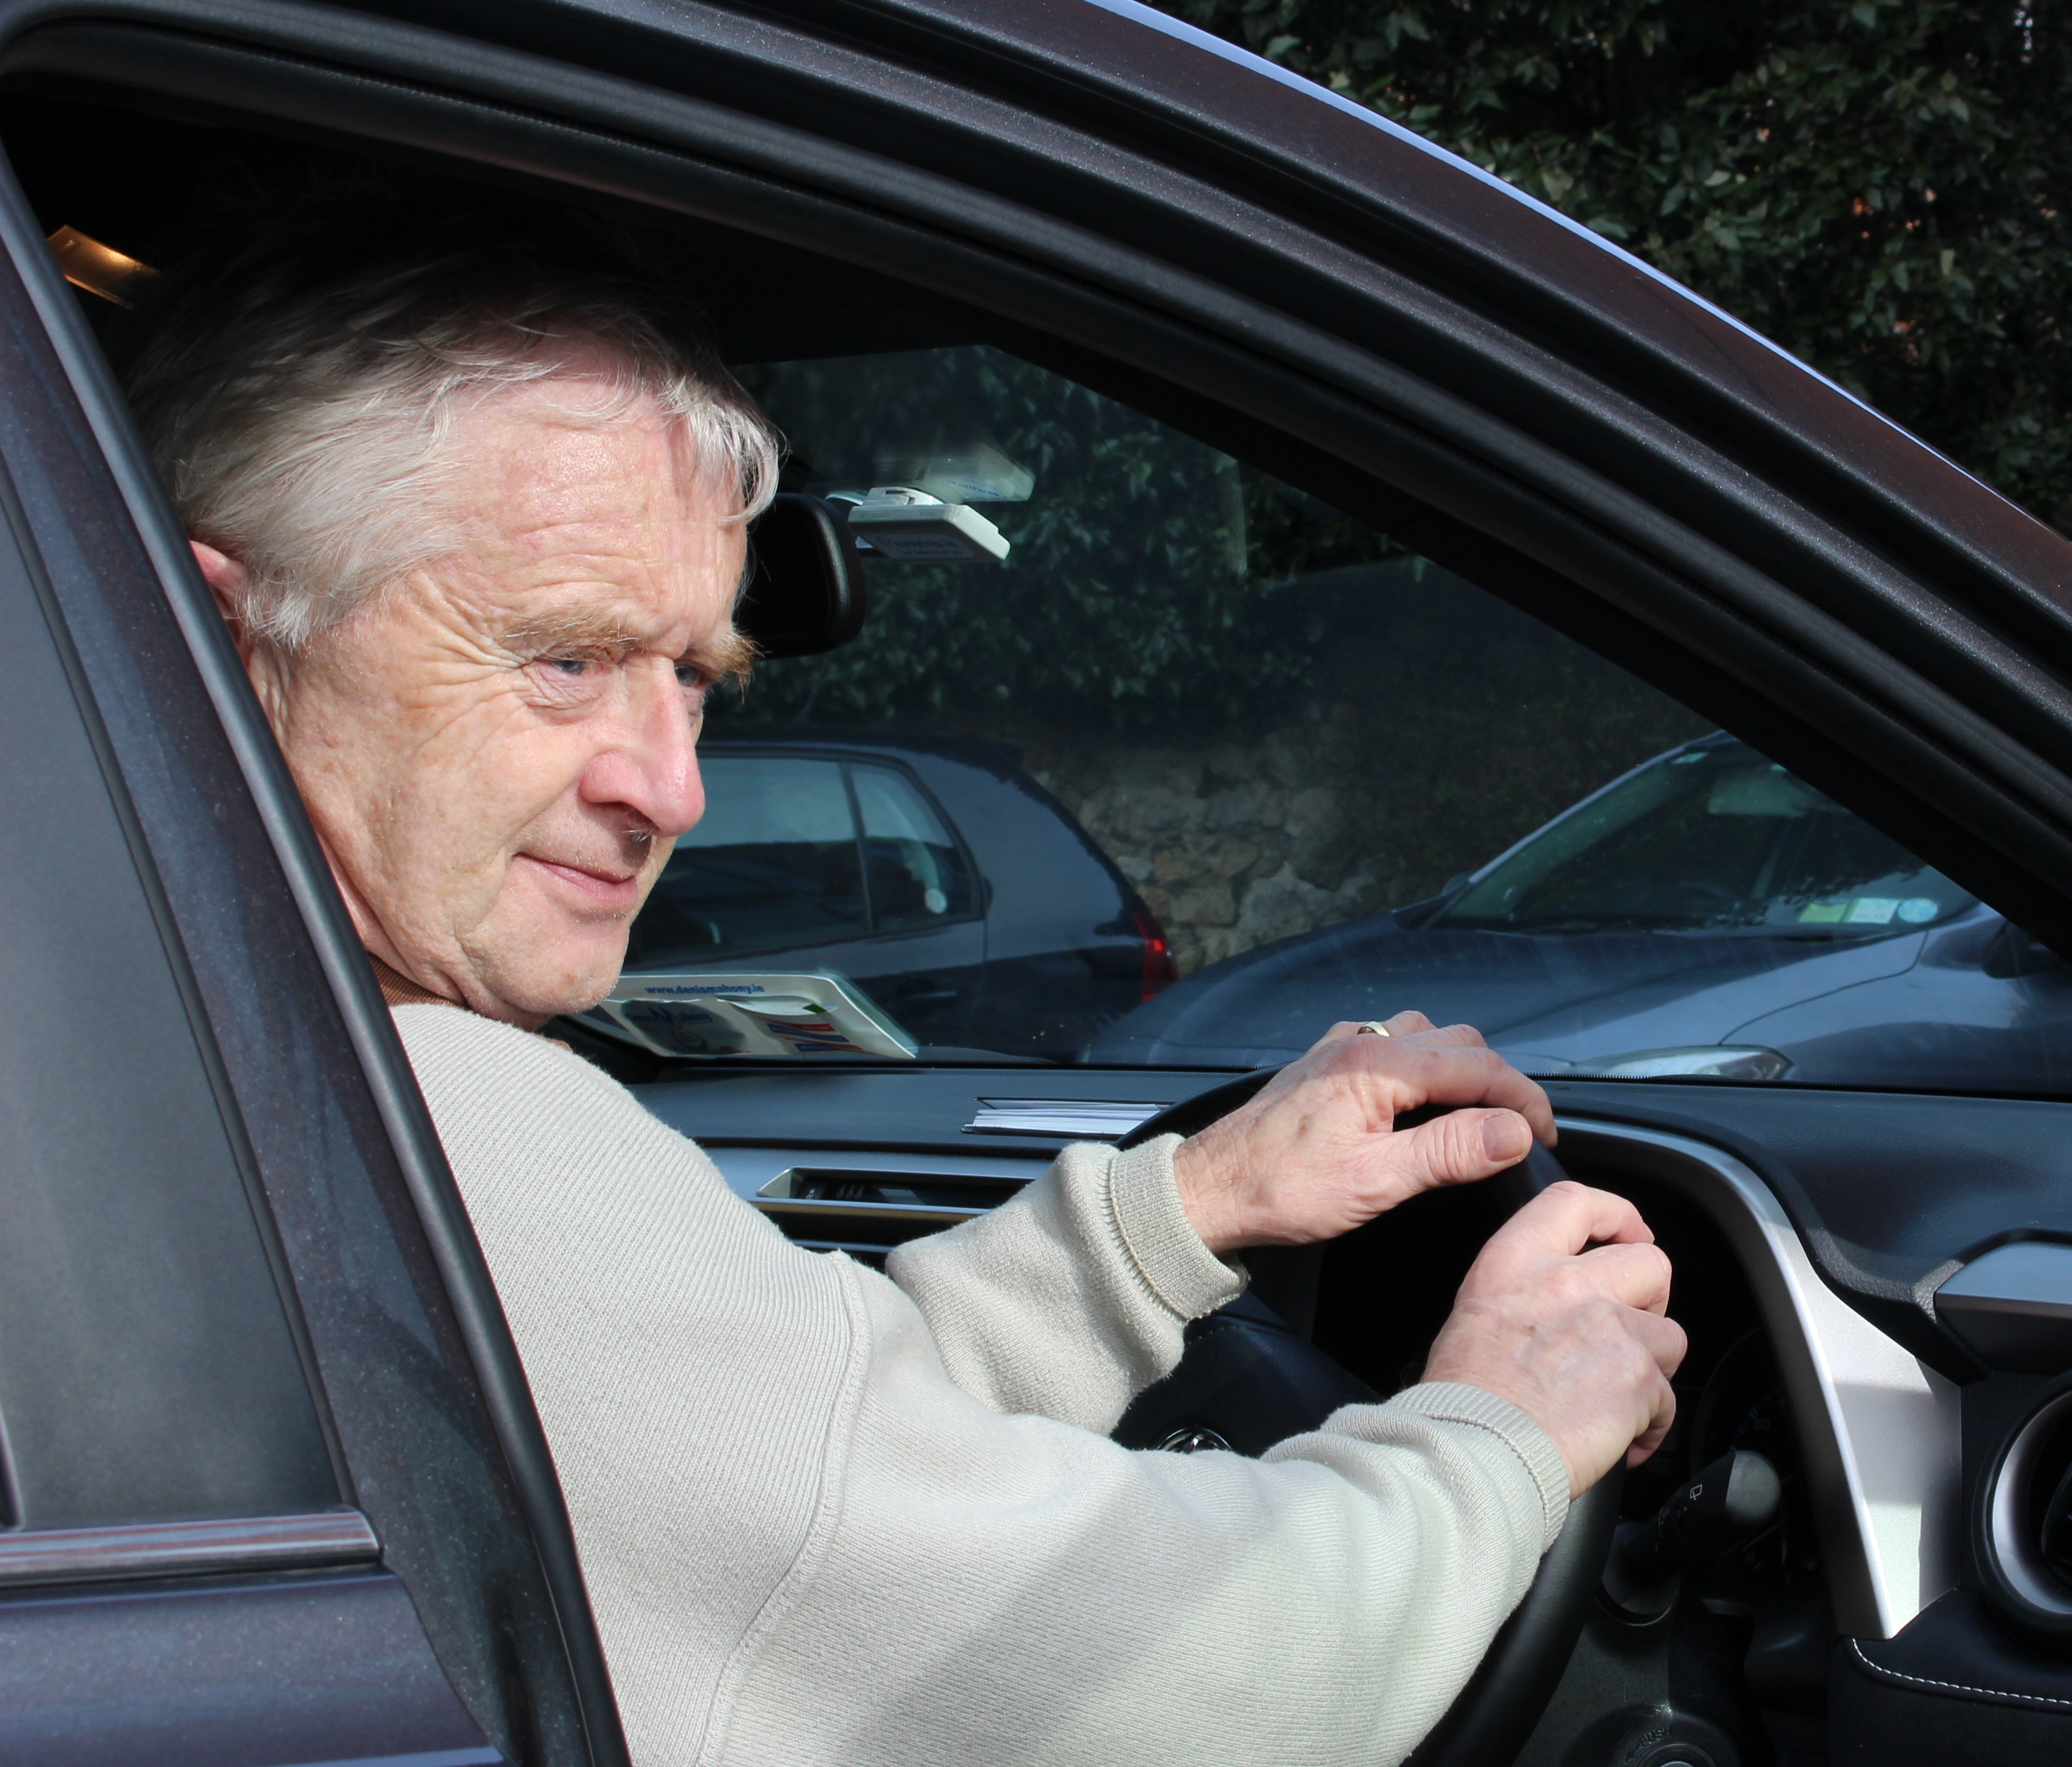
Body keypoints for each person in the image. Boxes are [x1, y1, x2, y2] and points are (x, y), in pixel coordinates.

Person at [123, 220, 1685, 1767]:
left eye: (692, 677)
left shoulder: (165, 1076)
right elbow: (1167, 1674)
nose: (672, 789)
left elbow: (796, 1481)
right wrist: (1504, 1432)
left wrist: (1194, 1207)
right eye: (565, 659)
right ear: (214, 640)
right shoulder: (428, 1133)